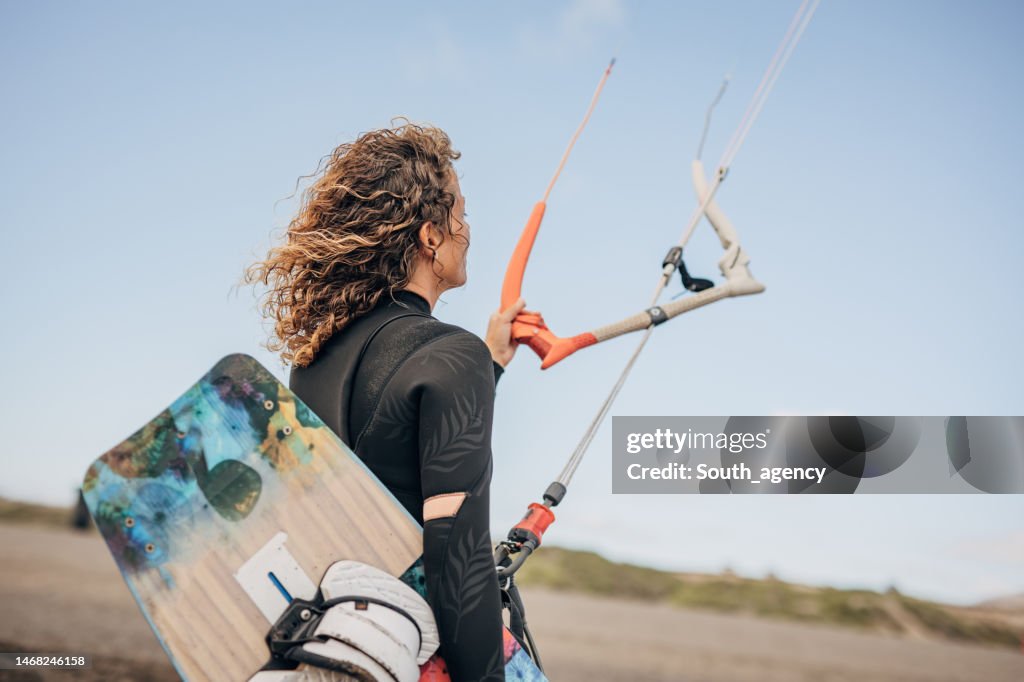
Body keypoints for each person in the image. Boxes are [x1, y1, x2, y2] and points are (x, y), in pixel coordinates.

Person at [246, 122, 525, 681]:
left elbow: (389, 446)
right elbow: (457, 556)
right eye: (461, 215)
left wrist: (489, 363)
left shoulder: (313, 360)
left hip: (327, 636)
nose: (469, 230)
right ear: (429, 236)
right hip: (400, 649)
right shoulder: (450, 354)